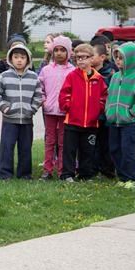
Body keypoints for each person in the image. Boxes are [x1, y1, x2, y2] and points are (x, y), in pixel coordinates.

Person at [0, 41, 42, 180]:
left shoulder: (33, 77)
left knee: (25, 148)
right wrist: (5, 107)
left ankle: (25, 174)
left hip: (27, 119)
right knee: (7, 147)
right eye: (16, 57)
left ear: (28, 59)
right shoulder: (5, 76)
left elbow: (38, 95)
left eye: (22, 57)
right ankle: (5, 174)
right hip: (9, 119)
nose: (19, 60)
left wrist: (32, 109)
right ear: (10, 59)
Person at [58, 43, 107, 182]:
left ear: (92, 59)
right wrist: (68, 106)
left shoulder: (99, 79)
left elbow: (104, 96)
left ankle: (86, 174)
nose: (81, 61)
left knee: (88, 151)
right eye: (78, 58)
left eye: (84, 57)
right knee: (70, 150)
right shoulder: (72, 76)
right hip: (73, 121)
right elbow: (64, 94)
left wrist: (99, 108)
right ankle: (67, 174)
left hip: (91, 123)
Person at [106, 42, 135, 189]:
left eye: (121, 58)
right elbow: (109, 96)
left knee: (128, 149)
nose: (118, 61)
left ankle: (131, 177)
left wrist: (132, 113)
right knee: (115, 149)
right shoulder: (115, 76)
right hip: (114, 120)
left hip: (129, 122)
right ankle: (122, 176)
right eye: (116, 57)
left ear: (131, 59)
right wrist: (108, 111)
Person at [38, 35, 74, 179]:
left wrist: (70, 105)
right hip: (49, 111)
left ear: (69, 52)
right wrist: (43, 100)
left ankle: (62, 170)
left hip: (65, 112)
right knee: (49, 141)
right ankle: (47, 170)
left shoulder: (73, 71)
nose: (59, 53)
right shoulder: (46, 70)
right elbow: (39, 87)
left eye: (62, 50)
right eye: (56, 50)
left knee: (63, 142)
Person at [92, 42, 116, 179]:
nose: (89, 58)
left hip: (106, 116)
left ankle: (107, 170)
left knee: (106, 144)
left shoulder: (110, 74)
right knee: (92, 144)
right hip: (91, 116)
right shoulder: (87, 73)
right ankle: (93, 169)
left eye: (92, 55)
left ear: (102, 57)